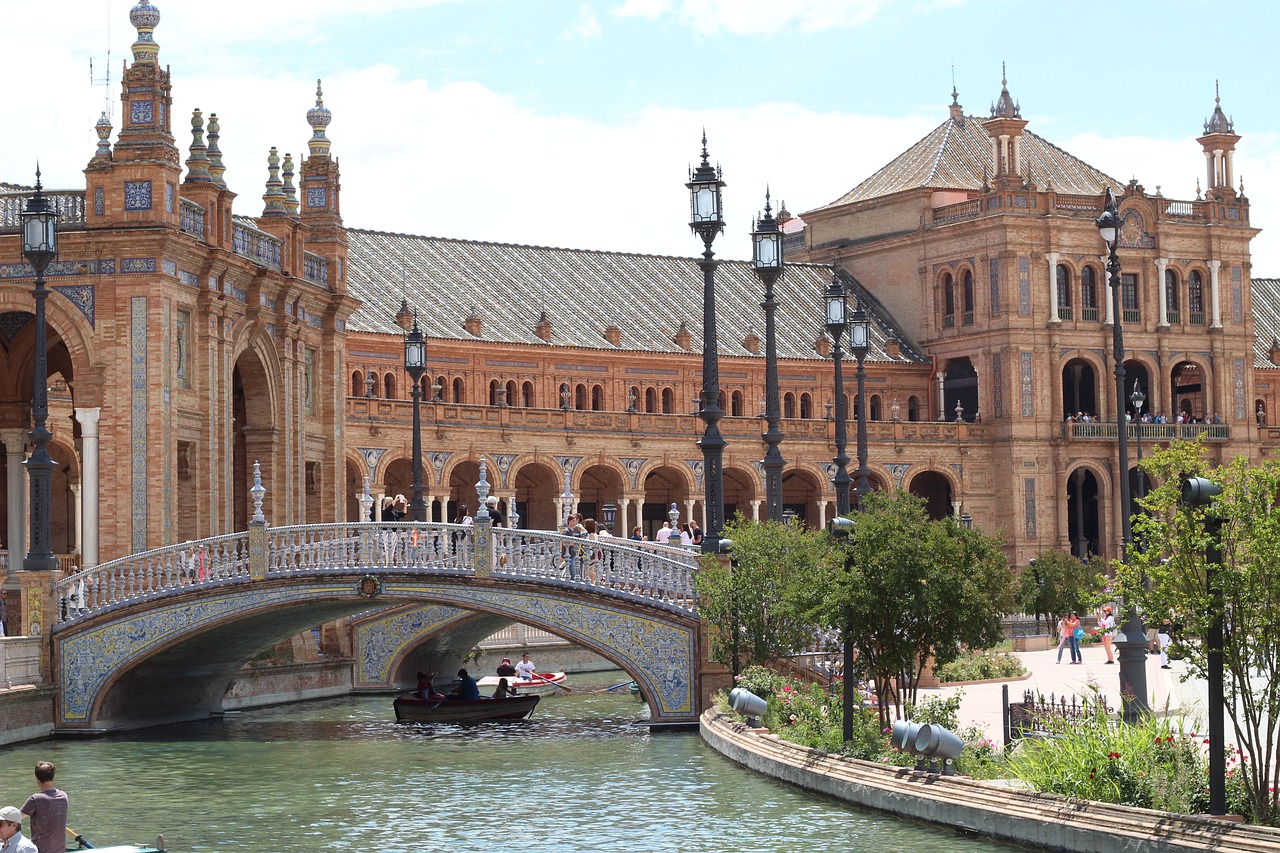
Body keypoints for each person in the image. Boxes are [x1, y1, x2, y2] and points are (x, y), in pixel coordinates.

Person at [21, 761, 67, 853]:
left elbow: (16, 818)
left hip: (40, 850)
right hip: (60, 850)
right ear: (52, 777)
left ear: (37, 780)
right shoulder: (63, 796)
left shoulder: (35, 799)